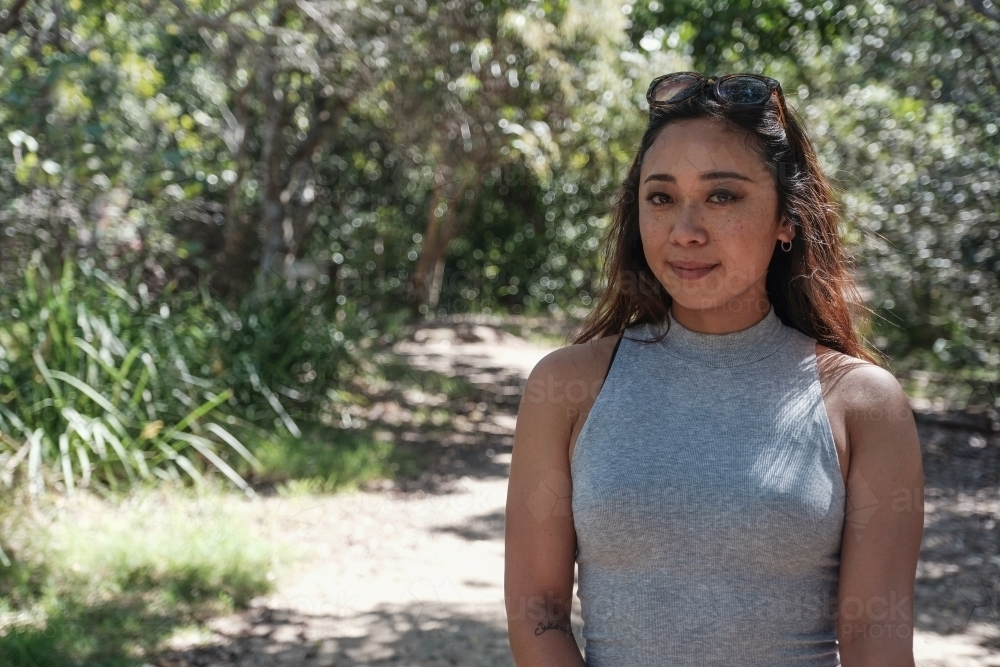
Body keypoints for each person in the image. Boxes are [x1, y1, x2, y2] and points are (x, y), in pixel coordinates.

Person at [504, 72, 924, 667]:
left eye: (722, 195)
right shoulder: (566, 388)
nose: (685, 231)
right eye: (662, 197)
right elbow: (538, 612)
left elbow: (875, 641)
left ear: (787, 218)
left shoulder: (862, 403)